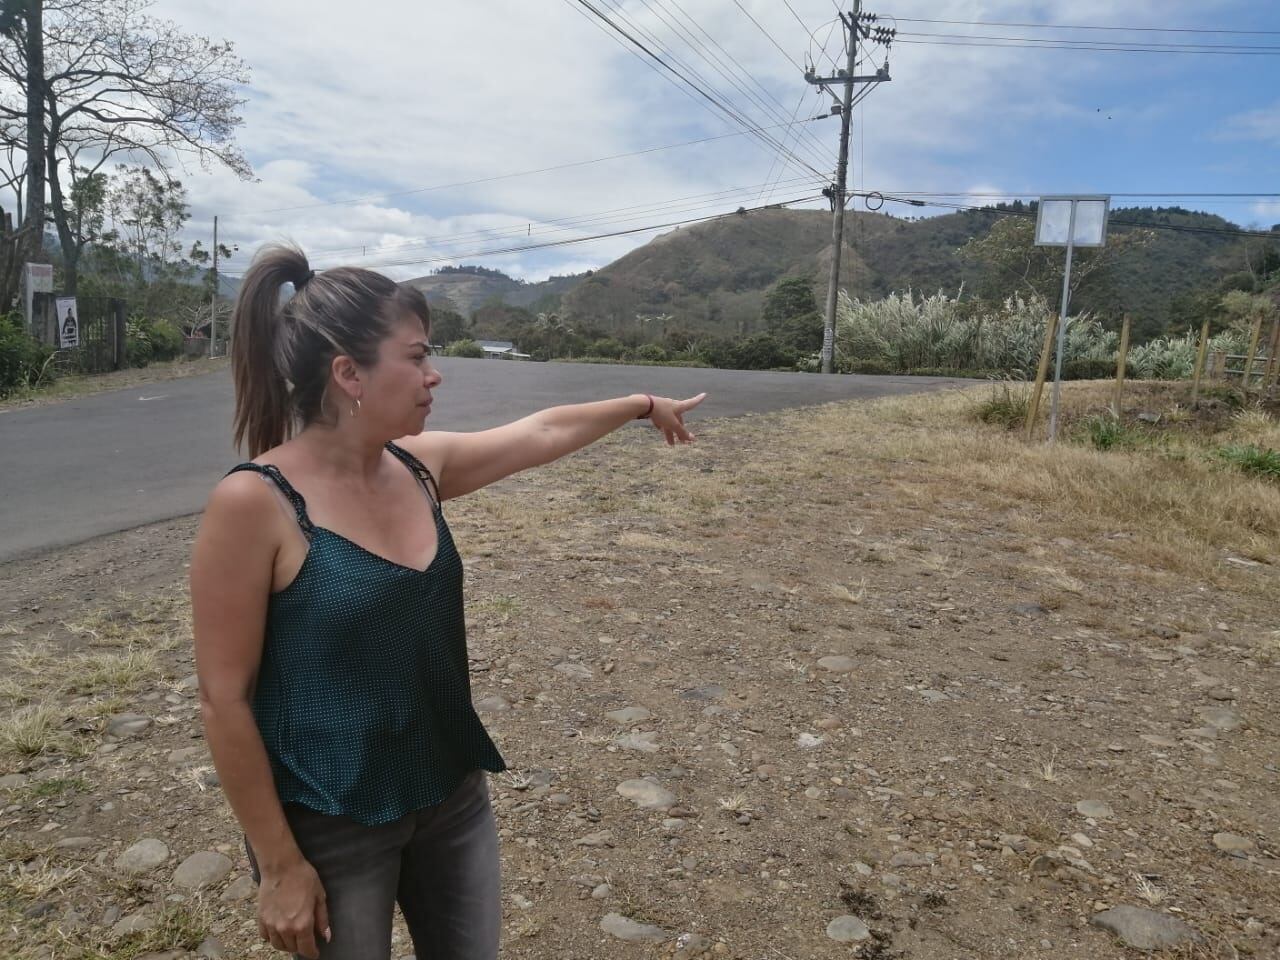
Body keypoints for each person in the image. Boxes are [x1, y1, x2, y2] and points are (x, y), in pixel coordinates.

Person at [189, 245, 705, 960]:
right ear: (349, 375)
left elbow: (541, 432)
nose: (435, 375)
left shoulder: (417, 466)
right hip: (331, 819)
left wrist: (642, 405)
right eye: (417, 355)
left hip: (451, 796)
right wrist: (279, 865)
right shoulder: (255, 502)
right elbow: (224, 699)